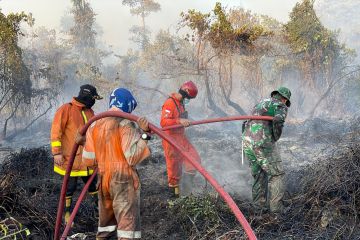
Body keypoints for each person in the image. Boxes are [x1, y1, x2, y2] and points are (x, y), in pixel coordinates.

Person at [82, 88, 151, 239]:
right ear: (128, 104)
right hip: (123, 180)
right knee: (127, 227)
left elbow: (88, 160)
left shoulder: (94, 124)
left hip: (103, 179)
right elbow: (132, 157)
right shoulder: (126, 124)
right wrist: (145, 135)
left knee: (106, 226)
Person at [50, 84, 103, 224]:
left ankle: (100, 212)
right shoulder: (65, 109)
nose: (94, 101)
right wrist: (57, 153)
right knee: (70, 188)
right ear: (87, 96)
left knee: (93, 185)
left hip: (87, 159)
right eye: (93, 98)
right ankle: (67, 214)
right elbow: (56, 132)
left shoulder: (90, 112)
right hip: (70, 159)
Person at [242, 86, 291, 214]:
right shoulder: (280, 105)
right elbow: (279, 120)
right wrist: (275, 136)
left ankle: (259, 208)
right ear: (284, 99)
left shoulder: (261, 103)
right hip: (262, 142)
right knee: (277, 174)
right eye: (286, 101)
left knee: (259, 175)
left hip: (247, 142)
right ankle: (276, 210)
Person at [160, 81, 201, 197]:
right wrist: (179, 121)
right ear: (185, 93)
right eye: (189, 98)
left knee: (194, 159)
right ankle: (175, 197)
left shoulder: (181, 104)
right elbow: (163, 122)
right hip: (171, 140)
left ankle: (187, 191)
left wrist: (186, 121)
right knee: (174, 170)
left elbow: (182, 117)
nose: (188, 100)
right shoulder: (170, 103)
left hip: (181, 138)